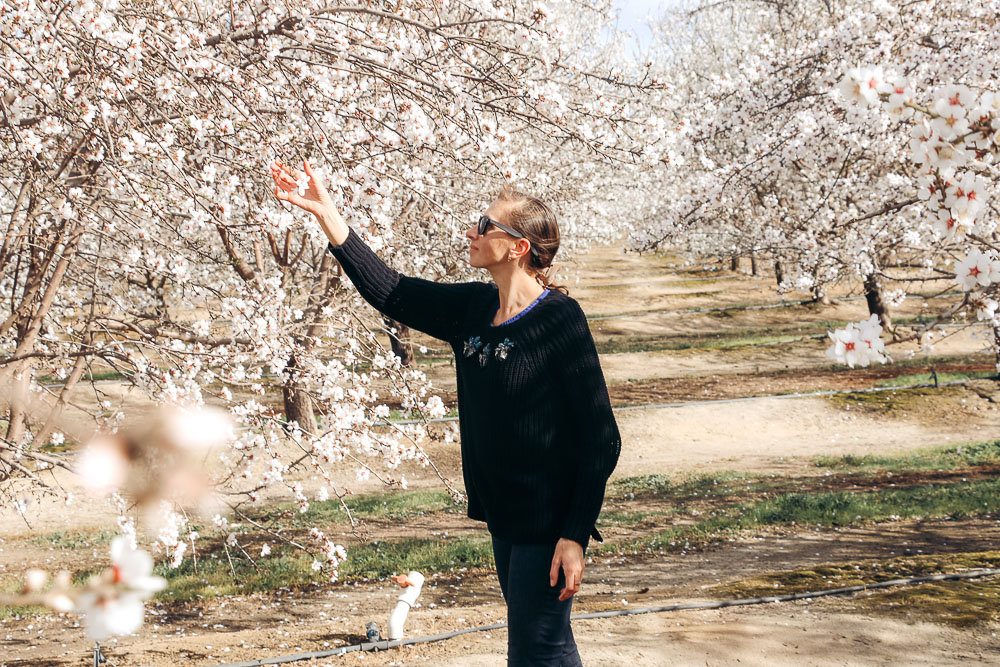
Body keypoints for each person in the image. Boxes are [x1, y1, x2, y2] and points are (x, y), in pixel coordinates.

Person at [270, 159, 621, 666]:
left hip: (547, 521)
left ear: (517, 247)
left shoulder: (559, 320)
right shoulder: (474, 309)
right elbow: (391, 290)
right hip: (504, 515)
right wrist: (328, 216)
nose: (471, 232)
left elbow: (601, 437)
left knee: (536, 649)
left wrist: (574, 533)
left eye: (484, 225)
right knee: (541, 645)